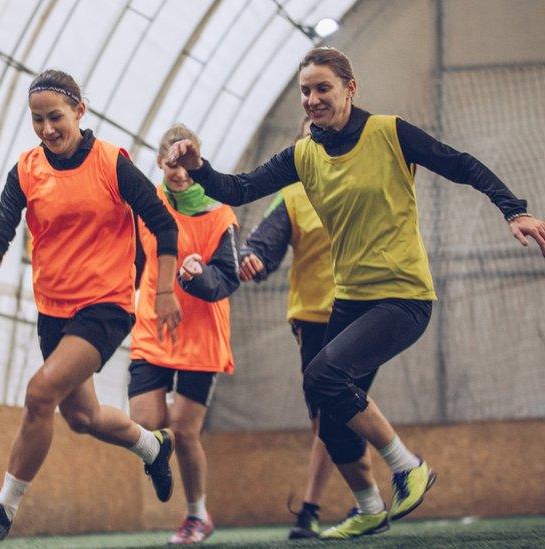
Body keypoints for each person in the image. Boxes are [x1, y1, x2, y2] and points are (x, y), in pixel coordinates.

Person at [167, 47, 545, 540]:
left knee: (326, 375)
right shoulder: (303, 154)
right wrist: (197, 166)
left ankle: (407, 467)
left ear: (350, 88)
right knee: (327, 401)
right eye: (305, 91)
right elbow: (238, 188)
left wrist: (513, 209)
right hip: (350, 298)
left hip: (402, 296)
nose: (312, 99)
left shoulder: (390, 132)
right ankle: (368, 505)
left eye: (322, 88)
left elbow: (461, 164)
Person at [0, 69, 183, 543]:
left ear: (80, 112)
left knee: (39, 393)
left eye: (56, 117)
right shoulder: (26, 169)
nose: (47, 129)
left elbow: (164, 225)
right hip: (54, 310)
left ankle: (4, 510)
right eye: (37, 119)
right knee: (82, 418)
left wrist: (162, 291)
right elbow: (0, 228)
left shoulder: (111, 163)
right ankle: (152, 447)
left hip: (105, 306)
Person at [239, 117, 356, 539]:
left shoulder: (358, 186)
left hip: (360, 313)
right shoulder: (291, 196)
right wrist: (253, 259)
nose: (317, 141)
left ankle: (314, 507)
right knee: (327, 422)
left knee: (339, 415)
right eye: (308, 136)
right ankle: (372, 497)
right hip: (312, 319)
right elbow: (262, 244)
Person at [128, 124, 241, 545]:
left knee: (185, 429)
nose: (178, 173)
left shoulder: (220, 214)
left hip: (202, 335)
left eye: (185, 164)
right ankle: (157, 459)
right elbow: (136, 257)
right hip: (152, 328)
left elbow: (227, 279)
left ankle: (196, 515)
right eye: (171, 164)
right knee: (146, 423)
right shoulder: (148, 205)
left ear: (196, 162)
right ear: (160, 162)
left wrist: (197, 277)